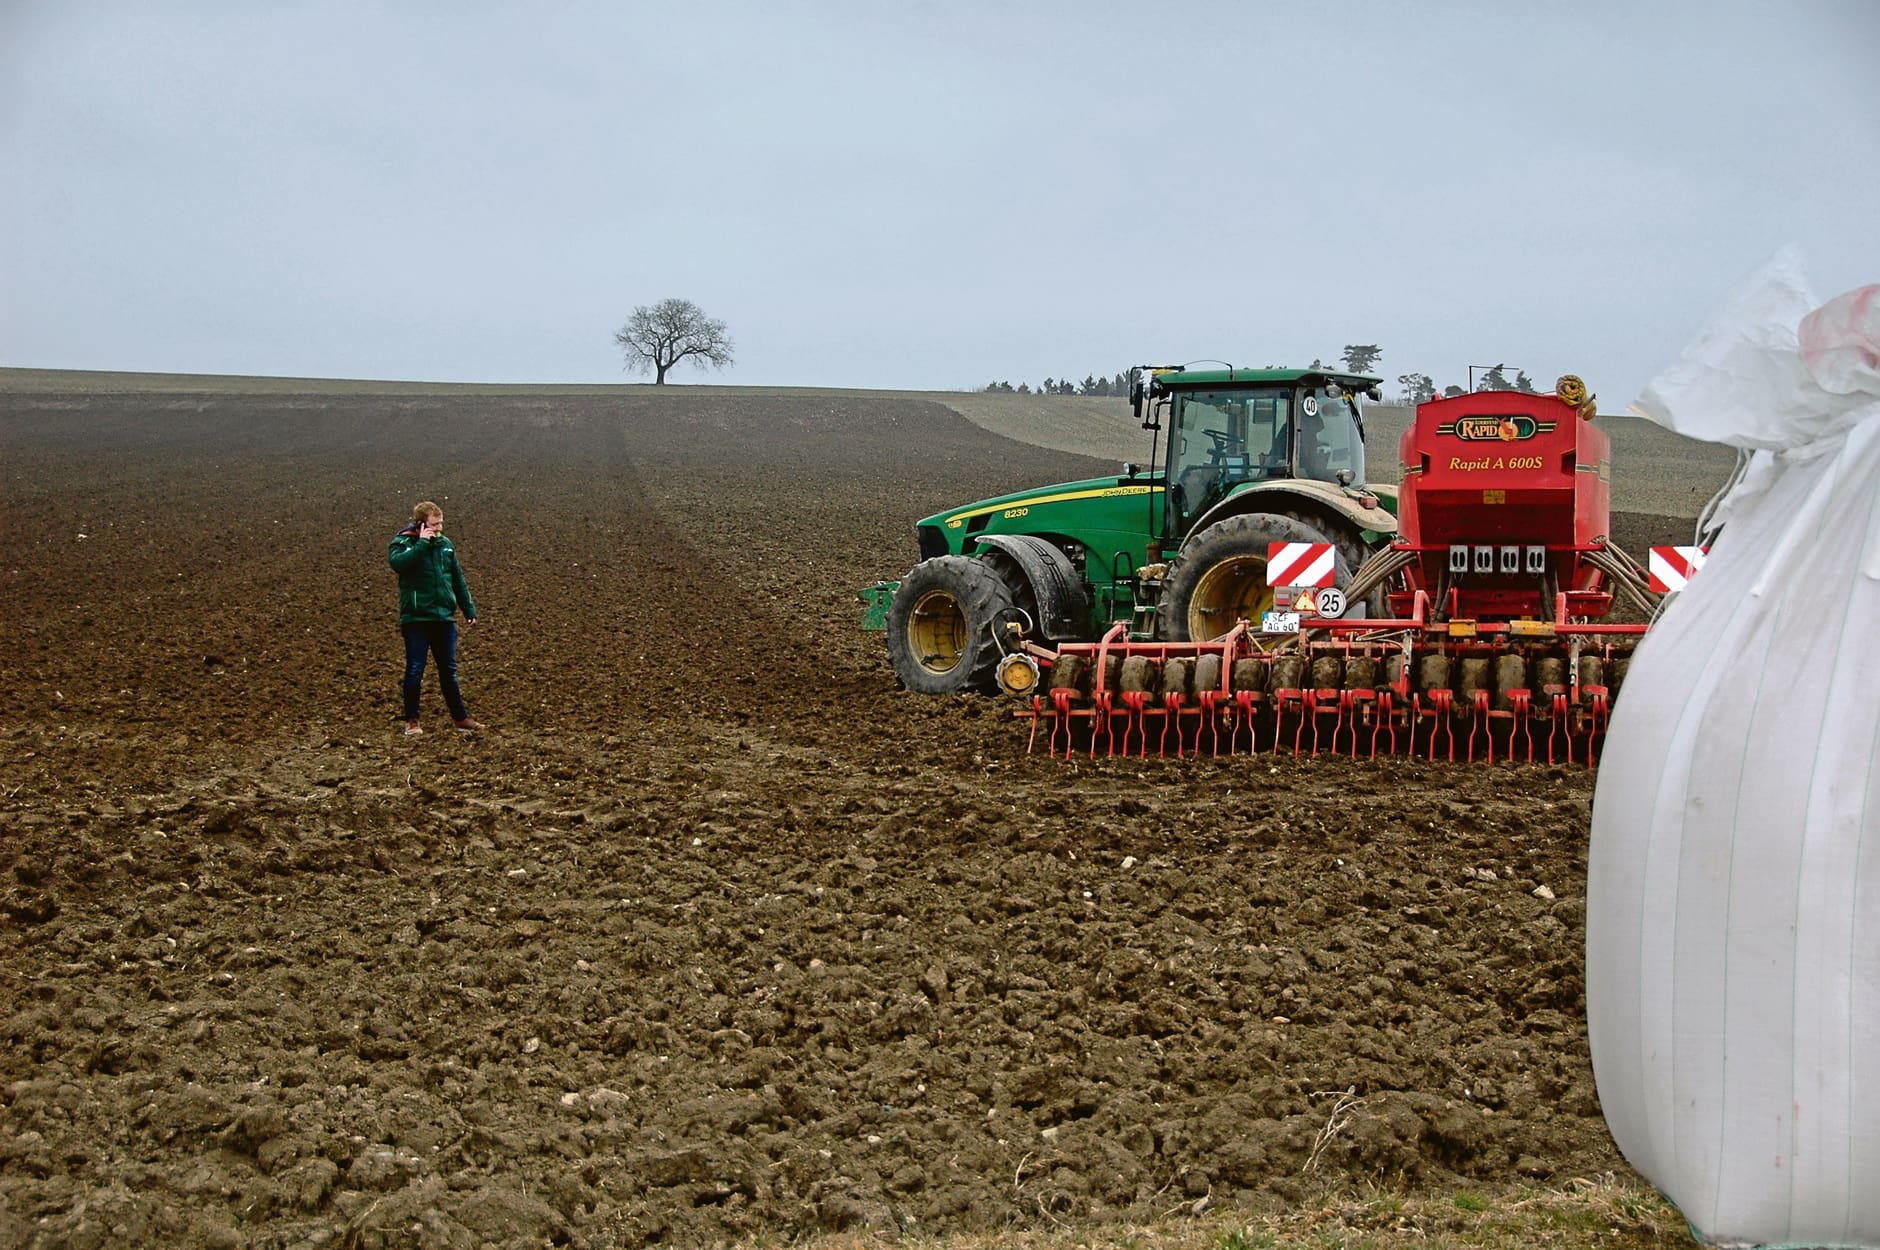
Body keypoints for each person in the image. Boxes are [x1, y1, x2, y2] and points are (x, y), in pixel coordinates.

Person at [388, 501, 483, 735]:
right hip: (417, 618)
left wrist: (468, 609)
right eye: (434, 524)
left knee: (448, 670)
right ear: (421, 524)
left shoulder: (445, 545)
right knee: (415, 670)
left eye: (441, 523)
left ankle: (460, 718)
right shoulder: (403, 543)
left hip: (444, 617)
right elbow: (399, 564)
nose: (439, 528)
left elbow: (457, 579)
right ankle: (412, 721)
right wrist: (421, 544)